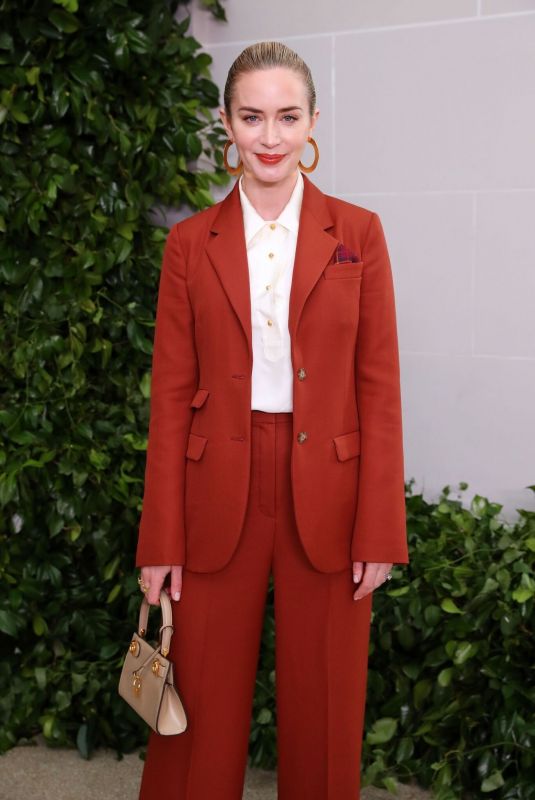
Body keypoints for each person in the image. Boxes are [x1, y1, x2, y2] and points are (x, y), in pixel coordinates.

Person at [135, 40, 408, 800]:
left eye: (286, 117)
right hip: (215, 484)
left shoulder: (359, 234)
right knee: (199, 708)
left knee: (325, 706)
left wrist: (381, 528)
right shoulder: (189, 245)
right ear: (225, 124)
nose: (269, 136)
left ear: (313, 121)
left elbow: (379, 388)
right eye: (251, 117)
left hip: (331, 485)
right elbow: (168, 396)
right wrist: (160, 539)